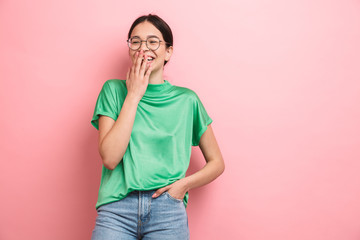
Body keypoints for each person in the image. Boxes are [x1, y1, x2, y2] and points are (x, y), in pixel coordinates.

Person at [90, 13, 225, 240]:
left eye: (153, 42)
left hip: (167, 210)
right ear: (130, 48)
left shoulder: (187, 100)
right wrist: (133, 95)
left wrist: (182, 186)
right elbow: (111, 158)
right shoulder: (113, 90)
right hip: (116, 209)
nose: (144, 48)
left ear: (168, 51)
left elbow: (217, 163)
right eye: (136, 41)